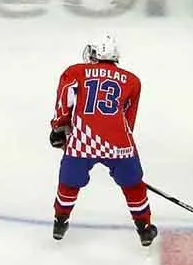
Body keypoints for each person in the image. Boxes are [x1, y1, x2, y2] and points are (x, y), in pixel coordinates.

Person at [47, 34, 157, 246]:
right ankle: (144, 229)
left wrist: (59, 128)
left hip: (82, 141)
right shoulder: (132, 80)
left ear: (97, 53)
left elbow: (64, 100)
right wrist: (120, 147)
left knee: (69, 182)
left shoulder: (76, 71)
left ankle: (60, 222)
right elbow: (128, 118)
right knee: (133, 185)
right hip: (119, 143)